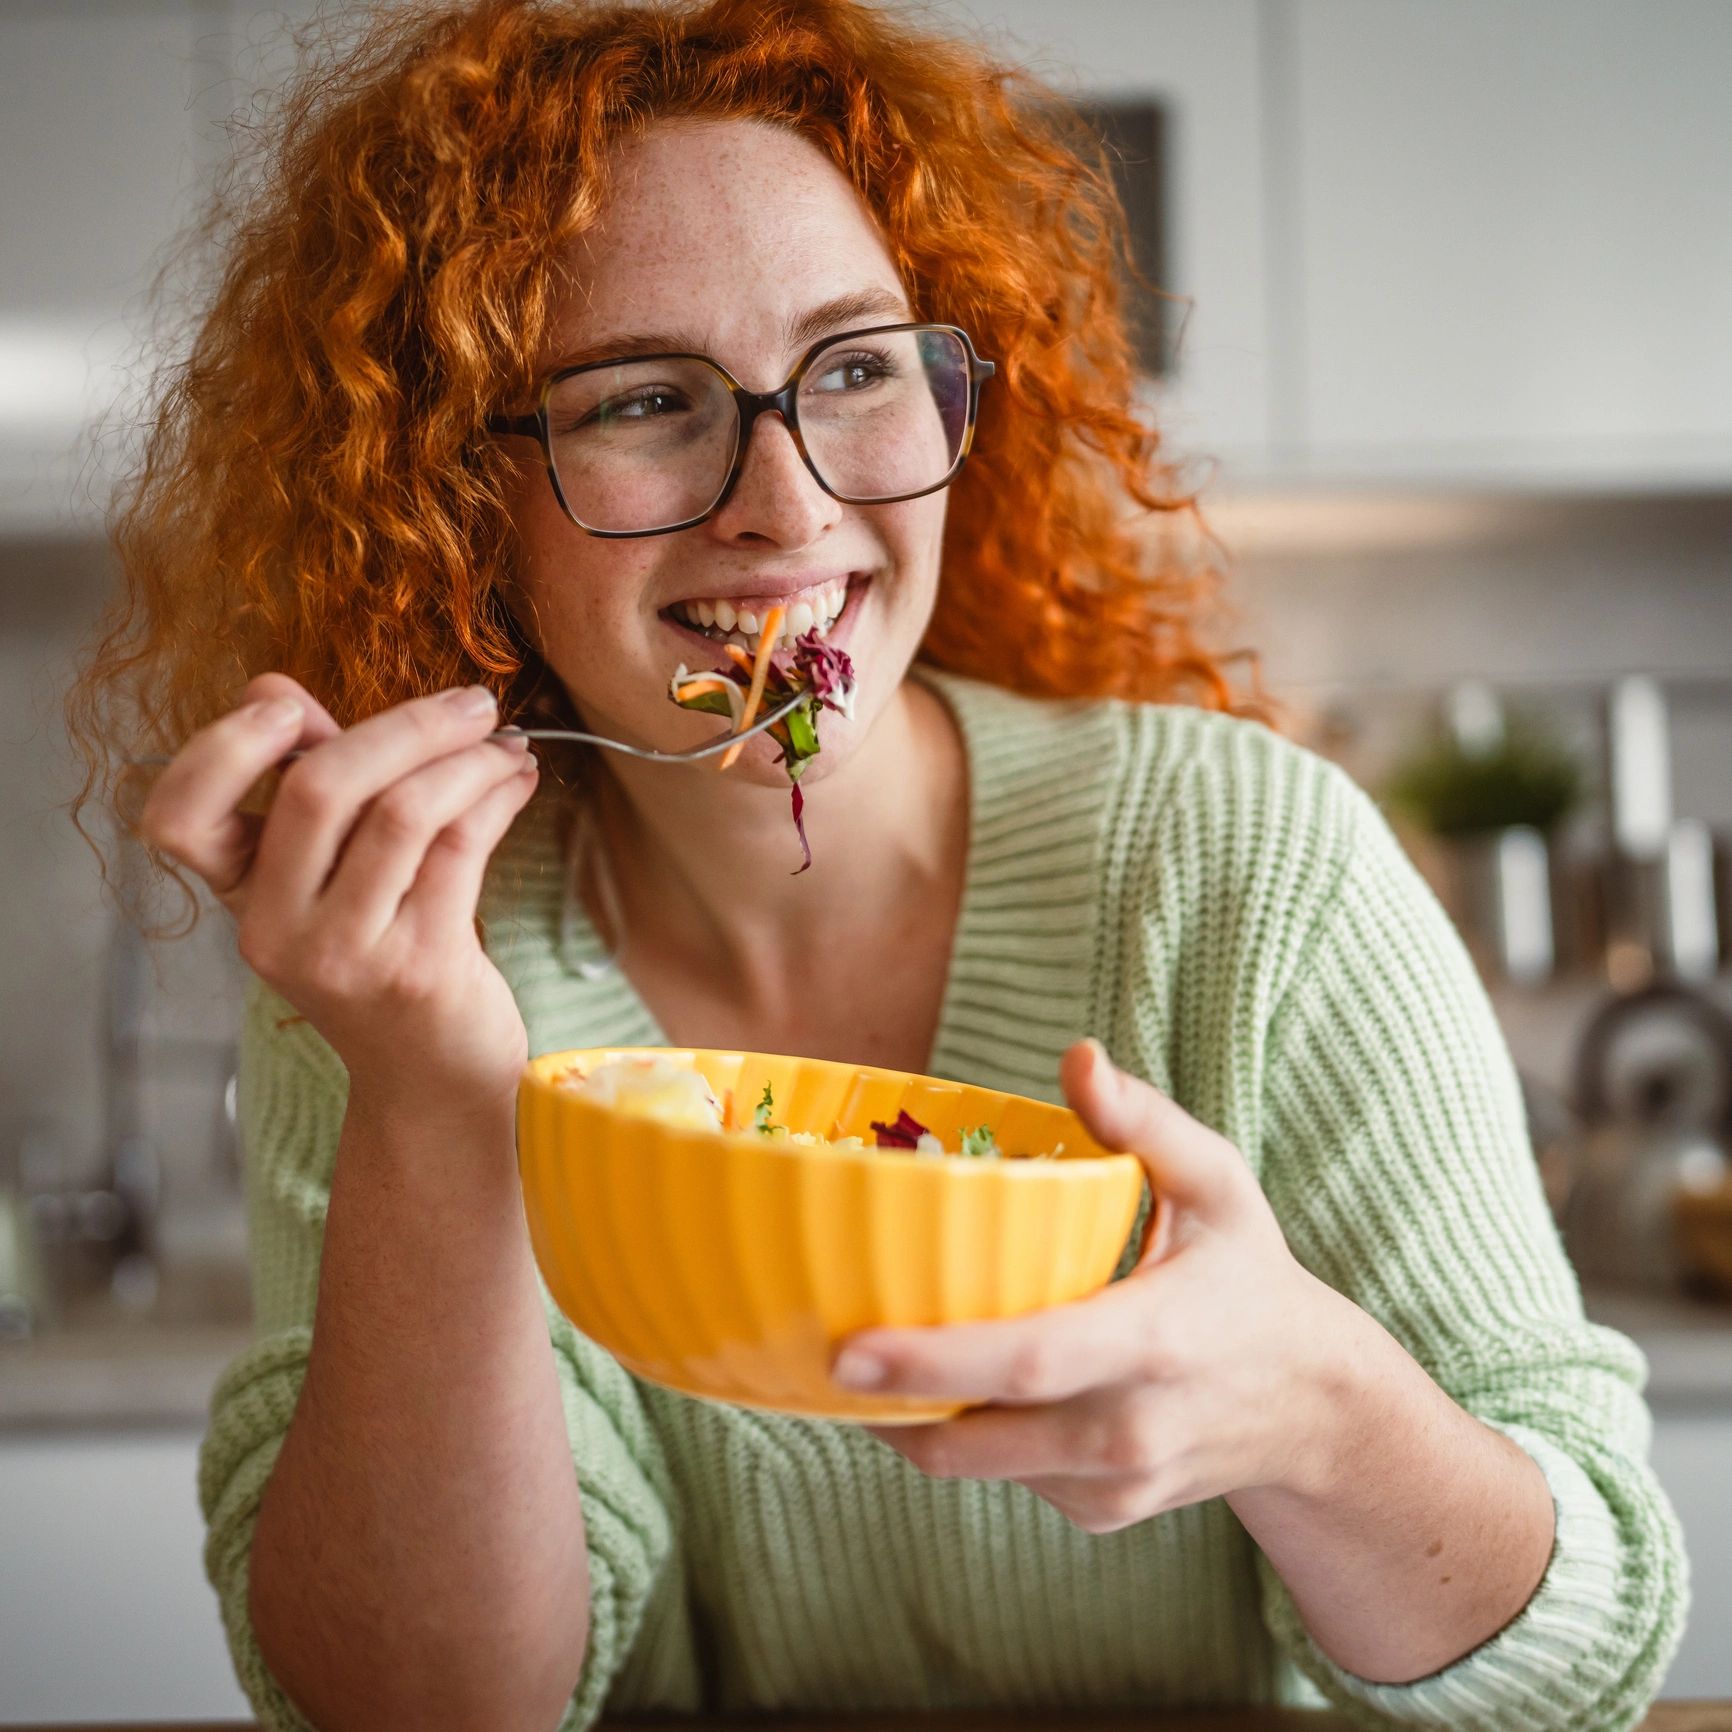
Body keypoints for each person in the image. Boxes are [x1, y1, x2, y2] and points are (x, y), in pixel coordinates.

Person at [66, 2, 1685, 1729]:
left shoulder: (1242, 865)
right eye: (641, 400)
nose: (787, 502)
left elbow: (1582, 1656)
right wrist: (432, 1101)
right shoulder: (406, 968)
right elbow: (418, 1709)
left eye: (854, 368)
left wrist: (1320, 1415)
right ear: (458, 500)